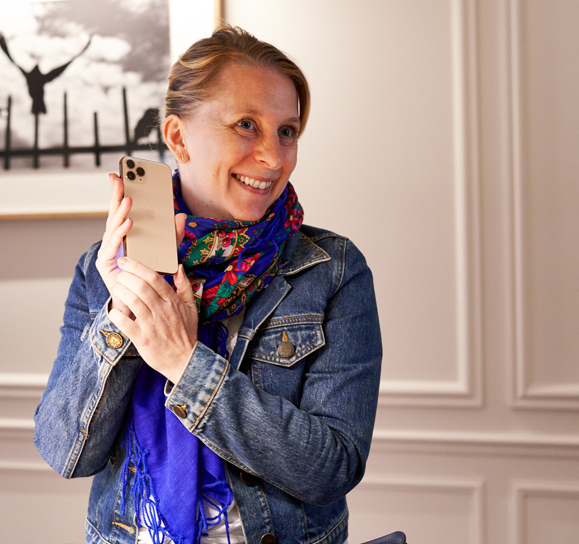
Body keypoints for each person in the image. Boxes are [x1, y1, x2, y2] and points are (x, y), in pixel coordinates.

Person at [34, 26, 382, 544]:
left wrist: (184, 362)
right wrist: (122, 315)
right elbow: (66, 452)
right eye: (246, 125)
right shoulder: (102, 270)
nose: (274, 157)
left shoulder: (331, 269)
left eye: (287, 131)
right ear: (178, 138)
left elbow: (332, 467)